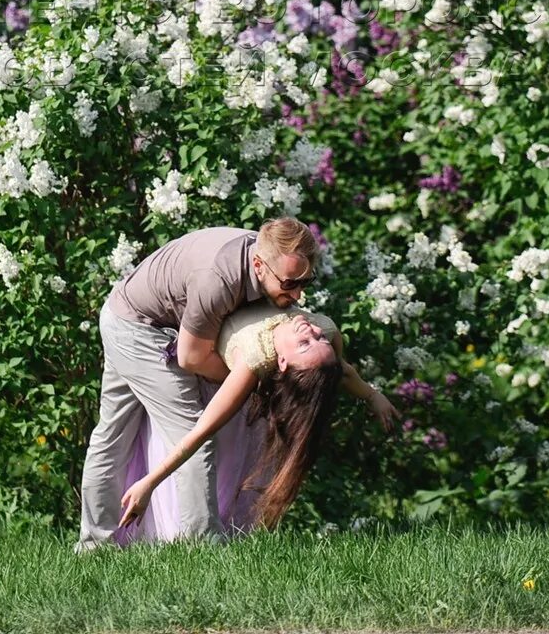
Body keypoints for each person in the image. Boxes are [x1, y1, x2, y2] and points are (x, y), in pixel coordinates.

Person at [75, 217, 318, 551]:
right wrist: (251, 383)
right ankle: (202, 546)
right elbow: (192, 358)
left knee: (112, 434)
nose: (299, 295)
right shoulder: (218, 279)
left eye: (306, 281)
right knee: (193, 435)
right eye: (290, 283)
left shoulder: (264, 257)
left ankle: (94, 545)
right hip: (138, 330)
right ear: (259, 265)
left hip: (128, 314)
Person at [114, 301, 397, 540]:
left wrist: (150, 482)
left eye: (304, 343)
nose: (311, 331)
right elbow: (342, 371)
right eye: (317, 339)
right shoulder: (326, 330)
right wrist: (373, 396)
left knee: (215, 467)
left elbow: (199, 432)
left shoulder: (255, 359)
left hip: (210, 386)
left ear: (283, 362)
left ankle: (188, 536)